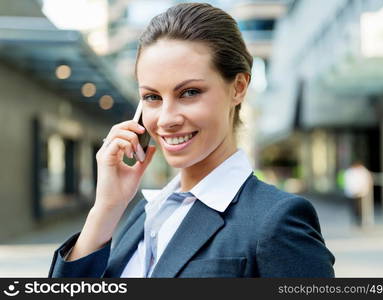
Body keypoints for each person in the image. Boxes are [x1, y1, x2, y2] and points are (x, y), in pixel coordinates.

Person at [49, 3, 335, 278]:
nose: (166, 119)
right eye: (152, 97)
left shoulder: (276, 220)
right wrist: (106, 209)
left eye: (189, 93)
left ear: (238, 88)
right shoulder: (143, 213)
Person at [343, 161, 374, 227]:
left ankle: (359, 221)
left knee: (360, 209)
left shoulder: (362, 171)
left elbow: (368, 180)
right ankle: (355, 220)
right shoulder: (350, 171)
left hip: (361, 194)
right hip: (352, 193)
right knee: (354, 208)